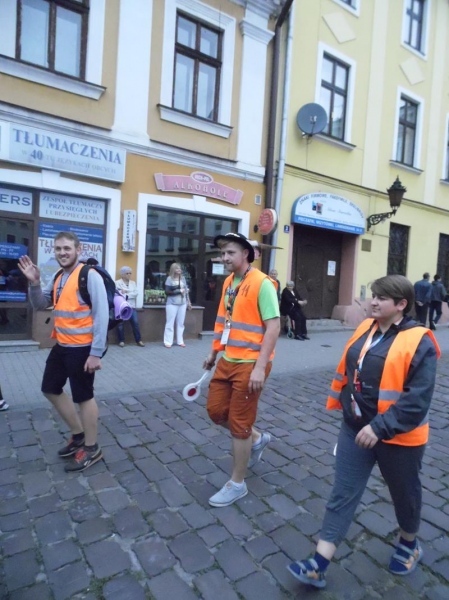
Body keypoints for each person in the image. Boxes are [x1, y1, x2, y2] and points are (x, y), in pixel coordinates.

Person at [287, 274, 440, 589]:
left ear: (401, 304)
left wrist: (379, 426)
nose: (373, 301)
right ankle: (318, 564)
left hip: (399, 437)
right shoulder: (365, 328)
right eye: (373, 295)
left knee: (404, 495)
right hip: (355, 429)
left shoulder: (420, 340)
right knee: (343, 493)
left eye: (382, 298)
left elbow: (417, 400)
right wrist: (349, 408)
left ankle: (409, 543)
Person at [18, 232, 109, 472]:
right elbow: (40, 305)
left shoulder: (89, 276)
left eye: (67, 248)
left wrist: (96, 353)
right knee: (50, 388)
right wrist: (34, 283)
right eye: (58, 248)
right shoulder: (59, 275)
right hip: (62, 345)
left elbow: (102, 315)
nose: (62, 252)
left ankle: (92, 448)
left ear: (78, 250)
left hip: (83, 349)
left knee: (84, 396)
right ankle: (78, 436)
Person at [203, 232, 280, 507]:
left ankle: (237, 484)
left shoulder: (262, 283)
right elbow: (223, 320)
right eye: (222, 253)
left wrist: (260, 367)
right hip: (228, 360)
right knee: (216, 411)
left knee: (238, 423)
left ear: (246, 254)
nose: (224, 258)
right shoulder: (229, 282)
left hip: (250, 364)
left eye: (230, 253)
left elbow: (274, 327)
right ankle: (256, 439)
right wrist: (214, 352)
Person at [115, 266, 144, 347]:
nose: (129, 275)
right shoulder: (117, 283)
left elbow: (136, 293)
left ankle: (139, 340)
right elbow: (117, 294)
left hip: (131, 307)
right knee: (120, 324)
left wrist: (126, 294)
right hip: (121, 307)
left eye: (130, 273)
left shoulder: (133, 283)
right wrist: (125, 292)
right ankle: (121, 341)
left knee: (135, 323)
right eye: (127, 273)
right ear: (122, 274)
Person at [164, 263, 191, 348]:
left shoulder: (183, 278)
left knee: (181, 323)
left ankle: (180, 341)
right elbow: (167, 292)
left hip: (182, 303)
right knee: (170, 323)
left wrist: (188, 302)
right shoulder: (169, 279)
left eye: (180, 268)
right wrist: (179, 291)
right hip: (172, 303)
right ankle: (168, 341)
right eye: (177, 268)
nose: (179, 270)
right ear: (173, 270)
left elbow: (185, 291)